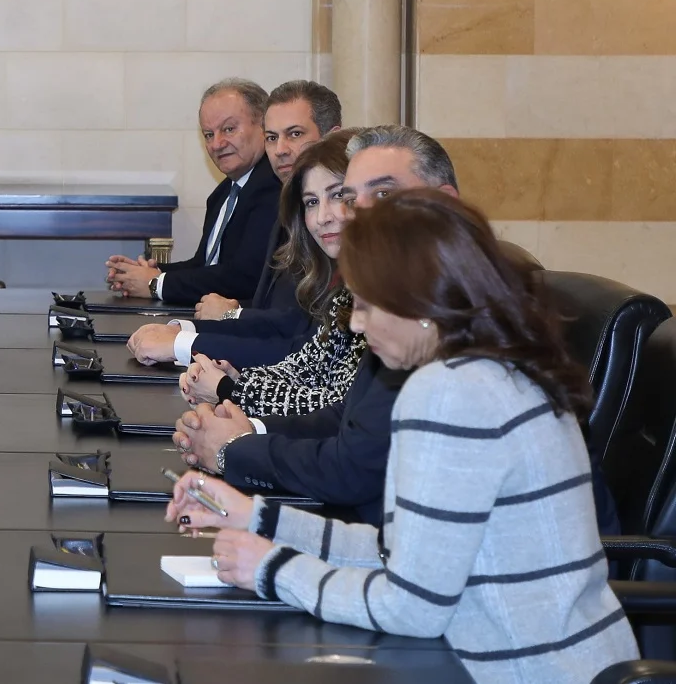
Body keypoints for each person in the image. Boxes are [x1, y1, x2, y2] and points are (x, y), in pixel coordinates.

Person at [166, 191, 635, 682]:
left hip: (519, 668)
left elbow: (413, 607)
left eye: (366, 304)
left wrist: (273, 569)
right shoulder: (497, 366)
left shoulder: (448, 392)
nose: (356, 322)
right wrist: (258, 517)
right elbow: (402, 552)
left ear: (421, 305)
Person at [170, 125, 463, 525]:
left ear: (443, 203)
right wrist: (245, 432)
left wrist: (234, 444)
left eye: (382, 194)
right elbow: (345, 416)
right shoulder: (397, 292)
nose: (344, 215)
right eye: (350, 199)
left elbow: (355, 468)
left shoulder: (450, 312)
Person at [126, 86, 341, 366]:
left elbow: (299, 342)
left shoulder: (339, 224)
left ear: (333, 139)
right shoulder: (288, 211)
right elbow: (281, 321)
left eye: (295, 134)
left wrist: (184, 340)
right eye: (272, 138)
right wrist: (183, 330)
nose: (280, 150)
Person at [176, 135, 364, 418]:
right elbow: (307, 367)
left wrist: (230, 389)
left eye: (337, 195)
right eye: (312, 202)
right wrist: (237, 379)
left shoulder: (383, 290)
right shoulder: (345, 286)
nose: (322, 217)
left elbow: (340, 406)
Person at [107, 79, 280, 304]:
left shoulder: (273, 186)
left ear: (264, 126)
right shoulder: (222, 194)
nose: (217, 144)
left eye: (228, 129)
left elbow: (245, 277)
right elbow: (205, 266)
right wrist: (146, 273)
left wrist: (156, 283)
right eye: (209, 134)